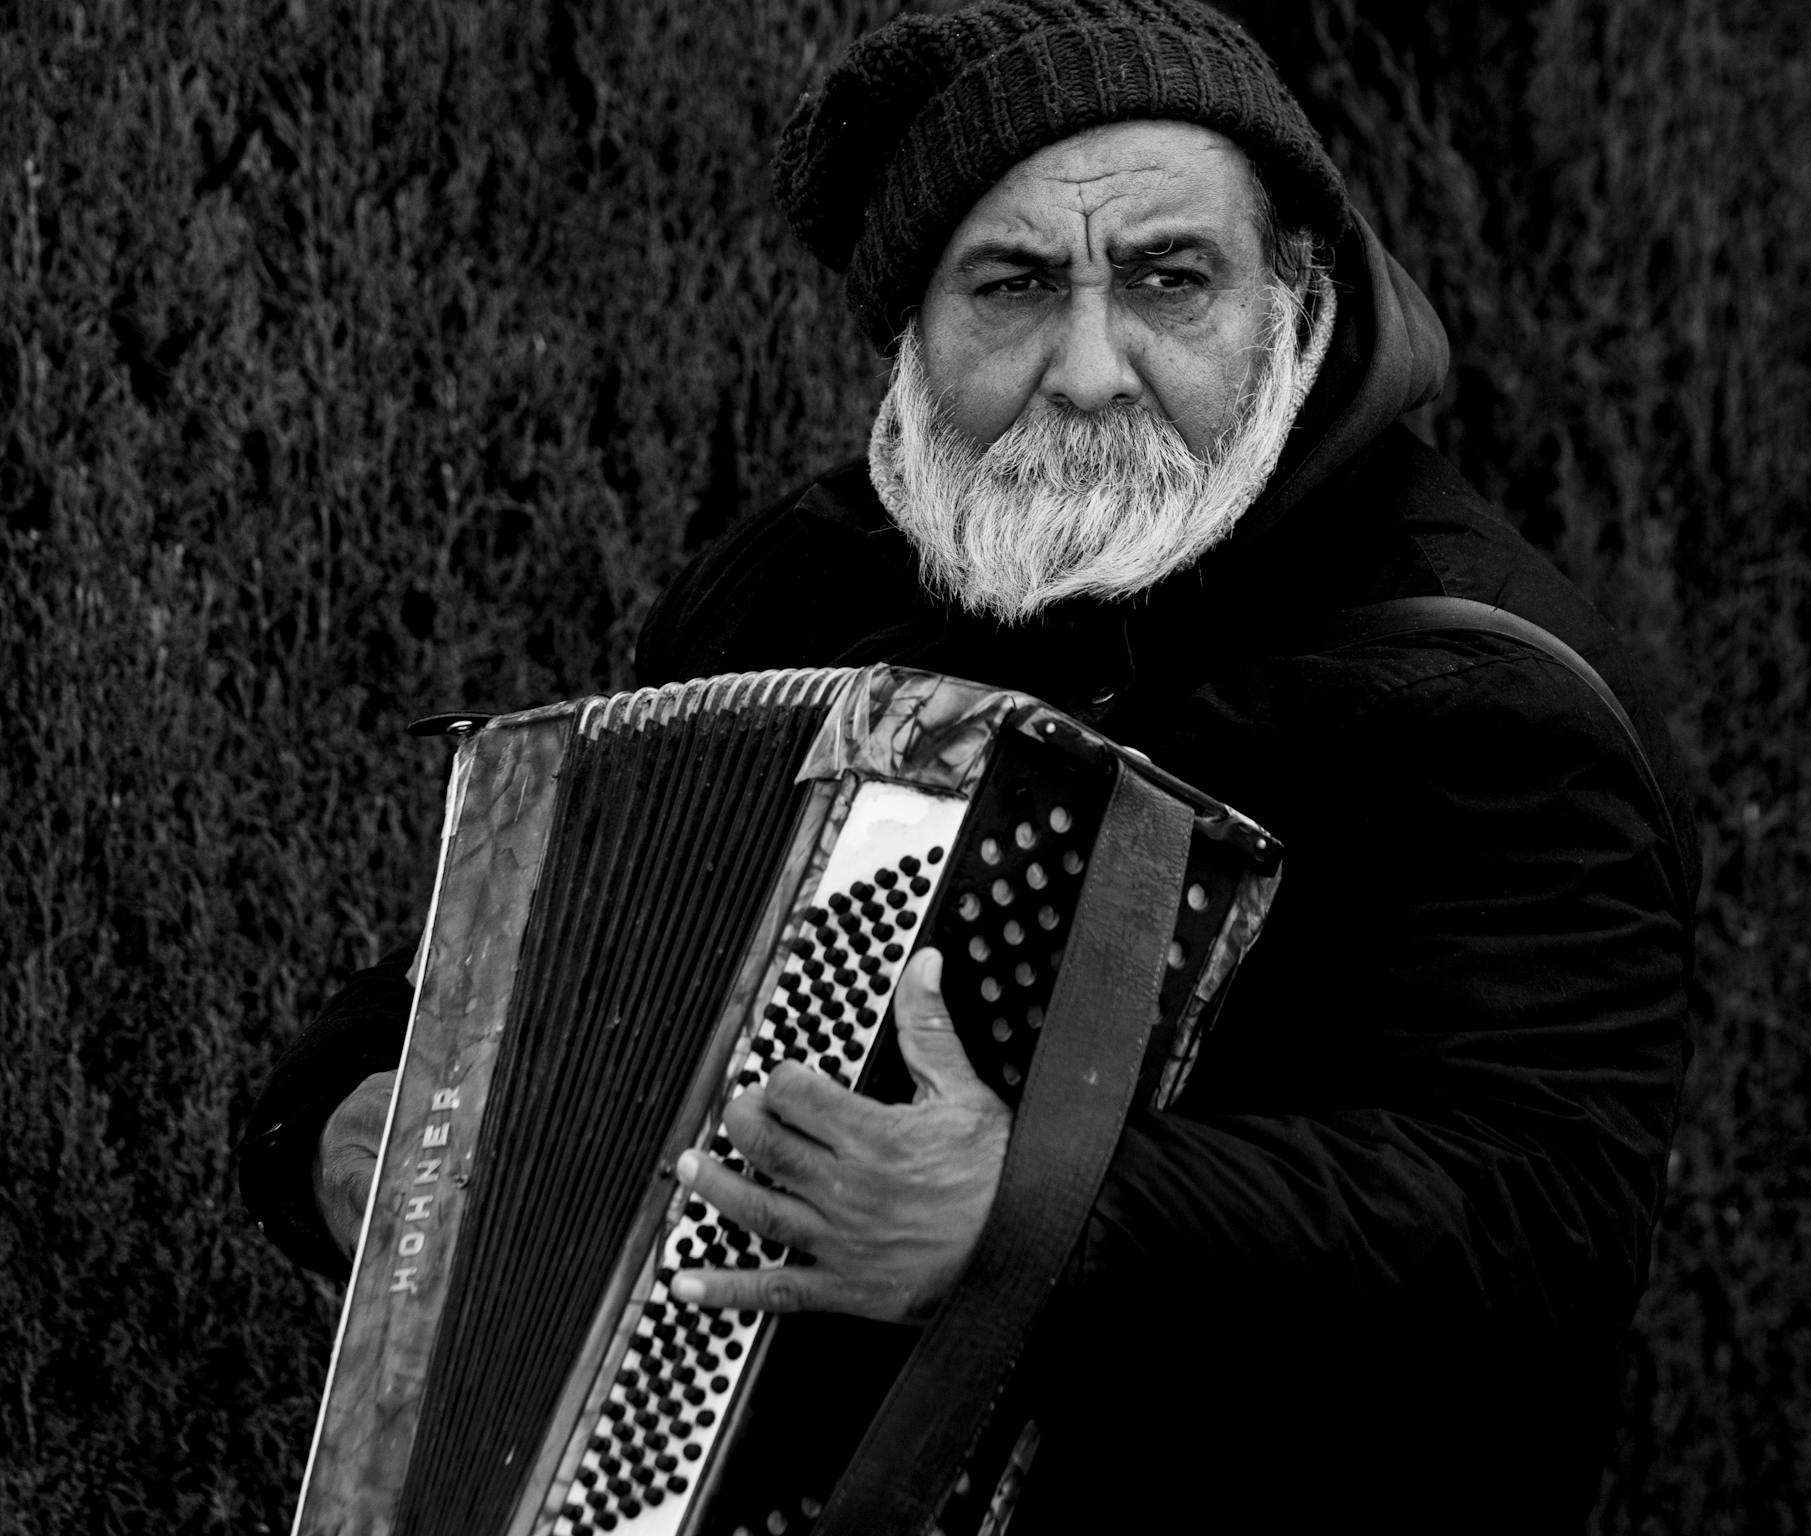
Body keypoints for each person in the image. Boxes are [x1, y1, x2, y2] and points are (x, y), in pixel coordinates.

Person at [239, 0, 1697, 1527]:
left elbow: (1541, 1217)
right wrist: (342, 1111)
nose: (1089, 368)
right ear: (913, 335)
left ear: (1293, 292)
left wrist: (1024, 1214)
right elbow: (561, 958)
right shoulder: (803, 587)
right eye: (1011, 287)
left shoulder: (1472, 678)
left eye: (1169, 279)